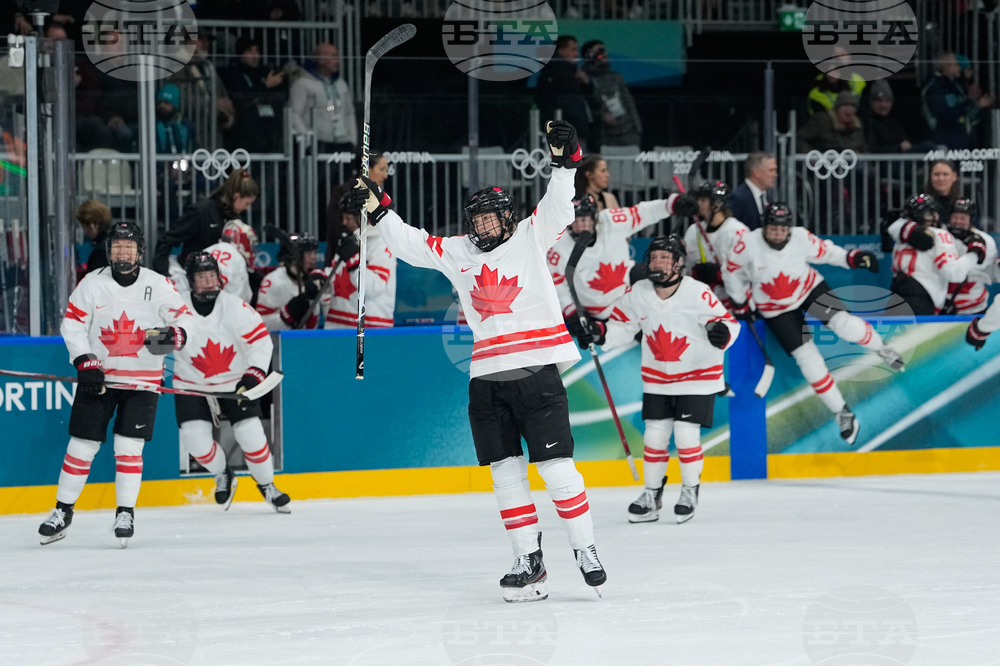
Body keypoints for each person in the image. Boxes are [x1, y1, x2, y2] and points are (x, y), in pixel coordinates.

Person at [347, 120, 607, 602]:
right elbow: (410, 244)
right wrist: (379, 210)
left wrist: (566, 162)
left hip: (537, 376)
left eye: (491, 218)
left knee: (556, 470)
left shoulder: (531, 235)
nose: (484, 226)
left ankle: (585, 547)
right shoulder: (458, 251)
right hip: (486, 380)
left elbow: (556, 204)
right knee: (505, 475)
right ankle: (528, 560)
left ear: (507, 218)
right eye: (478, 220)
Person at [39, 222, 191, 547]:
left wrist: (169, 337)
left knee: (128, 448)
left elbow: (185, 321)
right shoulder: (91, 284)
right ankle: (62, 511)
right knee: (81, 446)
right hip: (100, 379)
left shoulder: (158, 284)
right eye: (117, 246)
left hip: (143, 381)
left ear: (139, 251)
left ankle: (126, 513)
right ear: (109, 250)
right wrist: (84, 359)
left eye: (129, 246)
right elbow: (73, 325)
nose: (123, 252)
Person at [573, 235, 740, 524]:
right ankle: (652, 495)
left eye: (665, 257)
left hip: (698, 376)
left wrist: (723, 333)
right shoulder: (638, 291)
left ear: (678, 264)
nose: (658, 262)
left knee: (687, 437)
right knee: (654, 437)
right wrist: (600, 333)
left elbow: (729, 324)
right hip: (658, 377)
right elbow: (622, 327)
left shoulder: (698, 293)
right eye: (654, 257)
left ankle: (689, 490)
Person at [725, 204, 902, 445]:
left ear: (789, 228)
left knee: (844, 325)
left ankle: (882, 347)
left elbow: (826, 252)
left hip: (809, 288)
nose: (777, 234)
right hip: (775, 307)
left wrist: (852, 258)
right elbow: (731, 273)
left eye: (782, 229)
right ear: (764, 227)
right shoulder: (746, 244)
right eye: (772, 228)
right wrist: (739, 303)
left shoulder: (800, 237)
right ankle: (842, 412)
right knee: (807, 358)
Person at [171, 252, 290, 513]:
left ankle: (267, 485)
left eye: (212, 276)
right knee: (195, 442)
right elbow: (157, 341)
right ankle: (222, 472)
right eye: (202, 277)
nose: (208, 282)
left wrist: (253, 374)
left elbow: (260, 342)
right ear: (191, 281)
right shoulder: (175, 307)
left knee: (251, 435)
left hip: (235, 383)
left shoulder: (235, 307)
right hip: (191, 385)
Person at [547, 191, 696, 327]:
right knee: (647, 331)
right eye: (574, 220)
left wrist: (670, 205)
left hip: (628, 288)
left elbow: (642, 213)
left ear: (594, 218)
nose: (579, 226)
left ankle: (686, 311)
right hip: (600, 308)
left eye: (584, 219)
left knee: (660, 274)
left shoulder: (611, 221)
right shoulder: (558, 245)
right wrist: (571, 312)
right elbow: (558, 285)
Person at [888, 193, 985, 315]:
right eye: (931, 213)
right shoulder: (940, 235)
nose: (936, 216)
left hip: (895, 295)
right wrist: (974, 253)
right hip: (921, 300)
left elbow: (893, 226)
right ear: (924, 215)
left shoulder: (901, 235)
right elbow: (954, 274)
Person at [153, 167, 259, 275]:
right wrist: (164, 273)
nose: (247, 208)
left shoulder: (236, 220)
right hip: (195, 280)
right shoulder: (201, 212)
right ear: (236, 196)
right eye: (247, 203)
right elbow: (167, 240)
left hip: (225, 281)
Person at [323, 191, 396, 329]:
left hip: (369, 331)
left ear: (365, 217)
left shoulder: (381, 243)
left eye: (348, 218)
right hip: (338, 327)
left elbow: (375, 286)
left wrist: (355, 264)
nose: (344, 222)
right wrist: (322, 280)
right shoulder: (351, 241)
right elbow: (337, 278)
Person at [682, 180, 751, 310]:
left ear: (717, 204)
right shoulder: (693, 231)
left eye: (703, 200)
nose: (698, 204)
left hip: (731, 305)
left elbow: (746, 273)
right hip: (700, 303)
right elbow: (685, 269)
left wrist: (719, 275)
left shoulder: (737, 232)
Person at [222, 37, 288, 154]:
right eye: (249, 51)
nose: (254, 55)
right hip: (242, 134)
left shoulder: (265, 72)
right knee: (241, 170)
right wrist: (265, 86)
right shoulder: (232, 74)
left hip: (266, 133)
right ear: (240, 54)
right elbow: (241, 98)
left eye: (257, 51)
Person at [288, 43, 357, 153]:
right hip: (318, 144)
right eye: (333, 56)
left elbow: (349, 113)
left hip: (343, 144)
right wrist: (307, 139)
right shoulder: (302, 84)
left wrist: (352, 140)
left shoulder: (341, 84)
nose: (337, 61)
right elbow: (293, 114)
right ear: (321, 60)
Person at [171, 219, 258, 303]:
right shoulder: (229, 252)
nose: (251, 248)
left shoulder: (213, 249)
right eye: (250, 243)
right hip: (221, 311)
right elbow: (215, 284)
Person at [922, 51, 994, 150]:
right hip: (943, 140)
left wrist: (977, 103)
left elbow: (965, 113)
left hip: (961, 139)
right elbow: (946, 114)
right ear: (946, 67)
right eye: (956, 64)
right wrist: (970, 101)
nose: (959, 67)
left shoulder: (956, 86)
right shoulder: (934, 87)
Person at [256, 233, 326, 330]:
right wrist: (286, 316)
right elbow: (261, 325)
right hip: (279, 344)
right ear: (294, 257)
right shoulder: (273, 282)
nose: (314, 257)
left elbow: (314, 326)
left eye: (314, 253)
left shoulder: (314, 280)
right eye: (309, 254)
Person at [534, 35, 592, 151]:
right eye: (572, 50)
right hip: (566, 132)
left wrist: (587, 83)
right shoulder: (557, 73)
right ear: (561, 51)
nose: (576, 54)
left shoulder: (574, 73)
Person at [581, 40, 641, 147]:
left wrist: (637, 129)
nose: (605, 54)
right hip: (603, 135)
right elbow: (586, 106)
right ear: (590, 55)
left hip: (628, 132)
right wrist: (601, 115)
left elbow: (629, 103)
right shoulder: (584, 79)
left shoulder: (616, 77)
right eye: (600, 51)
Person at [944, 199, 995, 314]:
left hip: (975, 307)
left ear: (971, 220)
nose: (958, 221)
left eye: (963, 218)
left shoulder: (986, 240)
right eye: (955, 217)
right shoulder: (940, 236)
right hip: (941, 305)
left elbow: (990, 273)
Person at [326, 151, 389, 243]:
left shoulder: (382, 195)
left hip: (376, 251)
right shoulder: (343, 192)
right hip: (347, 252)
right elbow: (334, 227)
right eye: (381, 169)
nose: (385, 176)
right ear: (367, 169)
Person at [863, 80, 933, 155]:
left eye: (887, 101)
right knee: (928, 147)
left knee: (930, 147)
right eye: (879, 101)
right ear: (871, 102)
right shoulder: (868, 123)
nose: (883, 104)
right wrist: (899, 148)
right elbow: (872, 149)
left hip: (901, 159)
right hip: (885, 163)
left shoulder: (893, 122)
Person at [797, 92, 866, 154]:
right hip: (824, 164)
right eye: (845, 105)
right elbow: (800, 139)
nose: (849, 109)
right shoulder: (822, 120)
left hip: (850, 165)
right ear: (837, 108)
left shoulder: (858, 125)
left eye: (853, 106)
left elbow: (863, 148)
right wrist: (812, 155)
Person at [807, 46, 866, 116]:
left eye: (841, 54)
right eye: (835, 54)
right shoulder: (818, 83)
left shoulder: (858, 80)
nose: (838, 57)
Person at [728, 152, 777, 231]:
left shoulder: (768, 198)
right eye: (771, 170)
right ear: (756, 173)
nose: (775, 175)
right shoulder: (737, 198)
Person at [154, 84, 195, 154]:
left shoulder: (186, 125)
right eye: (160, 102)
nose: (162, 106)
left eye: (167, 103)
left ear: (175, 105)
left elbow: (194, 148)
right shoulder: (153, 125)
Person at [76, 200, 112, 277]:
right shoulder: (114, 241)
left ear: (93, 225)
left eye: (84, 227)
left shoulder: (101, 251)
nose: (85, 233)